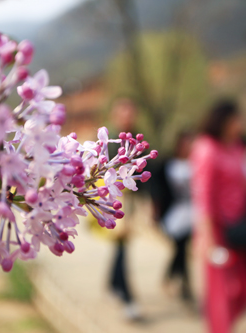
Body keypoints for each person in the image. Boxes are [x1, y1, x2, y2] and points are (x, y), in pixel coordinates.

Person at [191, 100, 246, 333]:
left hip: (239, 228)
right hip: (216, 230)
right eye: (237, 120)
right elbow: (203, 194)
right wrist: (207, 238)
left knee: (245, 288)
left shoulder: (238, 147)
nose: (241, 124)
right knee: (220, 296)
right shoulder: (207, 148)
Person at [107, 97, 140, 320]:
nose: (126, 117)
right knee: (120, 247)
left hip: (131, 203)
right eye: (122, 112)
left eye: (130, 112)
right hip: (109, 202)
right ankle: (125, 294)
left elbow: (148, 172)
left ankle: (115, 284)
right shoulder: (109, 142)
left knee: (121, 247)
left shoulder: (140, 141)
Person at [151, 131, 194, 301]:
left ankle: (181, 283)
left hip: (192, 213)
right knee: (180, 248)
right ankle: (179, 282)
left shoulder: (196, 164)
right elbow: (157, 189)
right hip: (173, 214)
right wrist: (155, 210)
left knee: (182, 248)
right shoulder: (167, 164)